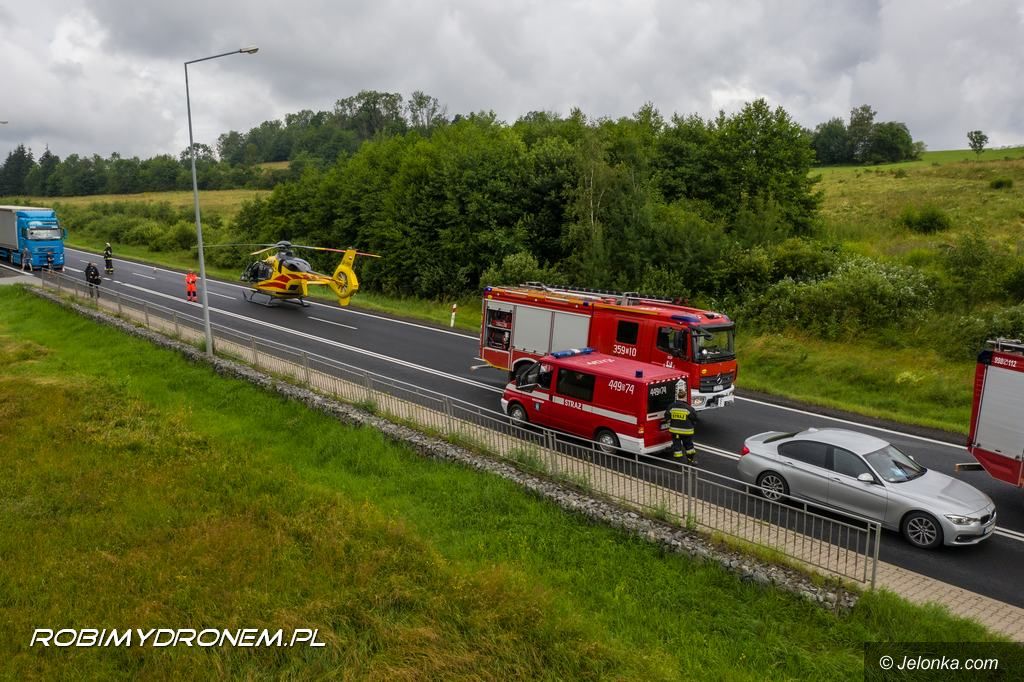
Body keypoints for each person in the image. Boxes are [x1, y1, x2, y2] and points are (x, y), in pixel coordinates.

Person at [667, 385, 697, 464]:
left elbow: (667, 417)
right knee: (689, 447)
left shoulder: (671, 406)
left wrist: (672, 422)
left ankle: (678, 463)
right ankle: (690, 460)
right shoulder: (688, 408)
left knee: (677, 447)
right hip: (687, 432)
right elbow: (694, 418)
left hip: (675, 432)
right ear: (685, 397)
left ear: (677, 396)